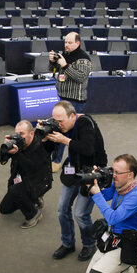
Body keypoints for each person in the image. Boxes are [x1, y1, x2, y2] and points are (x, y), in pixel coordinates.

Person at [46, 100, 107, 261]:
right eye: (55, 121)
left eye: (61, 121)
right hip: (73, 168)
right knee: (62, 209)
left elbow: (88, 149)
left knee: (80, 213)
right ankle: (67, 243)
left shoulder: (86, 123)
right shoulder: (64, 125)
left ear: (72, 116)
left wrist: (64, 140)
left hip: (91, 172)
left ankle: (89, 244)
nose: (58, 125)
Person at [84, 154, 137, 273]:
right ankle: (132, 262)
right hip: (112, 236)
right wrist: (96, 182)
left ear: (130, 175)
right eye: (112, 171)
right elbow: (105, 196)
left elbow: (112, 217)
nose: (113, 176)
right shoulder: (118, 185)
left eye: (117, 173)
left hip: (127, 240)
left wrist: (96, 193)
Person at [48, 32, 92, 172]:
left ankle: (58, 161)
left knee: (65, 132)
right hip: (63, 97)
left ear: (77, 43)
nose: (66, 45)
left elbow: (80, 77)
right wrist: (53, 62)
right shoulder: (64, 55)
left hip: (75, 101)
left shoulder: (84, 59)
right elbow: (54, 71)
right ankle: (56, 158)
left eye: (70, 42)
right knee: (60, 129)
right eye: (65, 42)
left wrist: (65, 65)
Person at [0, 120, 54, 228]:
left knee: (15, 190)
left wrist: (17, 154)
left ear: (31, 133)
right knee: (4, 209)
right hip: (21, 180)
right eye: (17, 133)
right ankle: (33, 199)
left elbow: (32, 169)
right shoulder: (17, 144)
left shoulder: (40, 145)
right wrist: (5, 148)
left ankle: (33, 214)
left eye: (22, 134)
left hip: (39, 181)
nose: (19, 137)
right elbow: (2, 161)